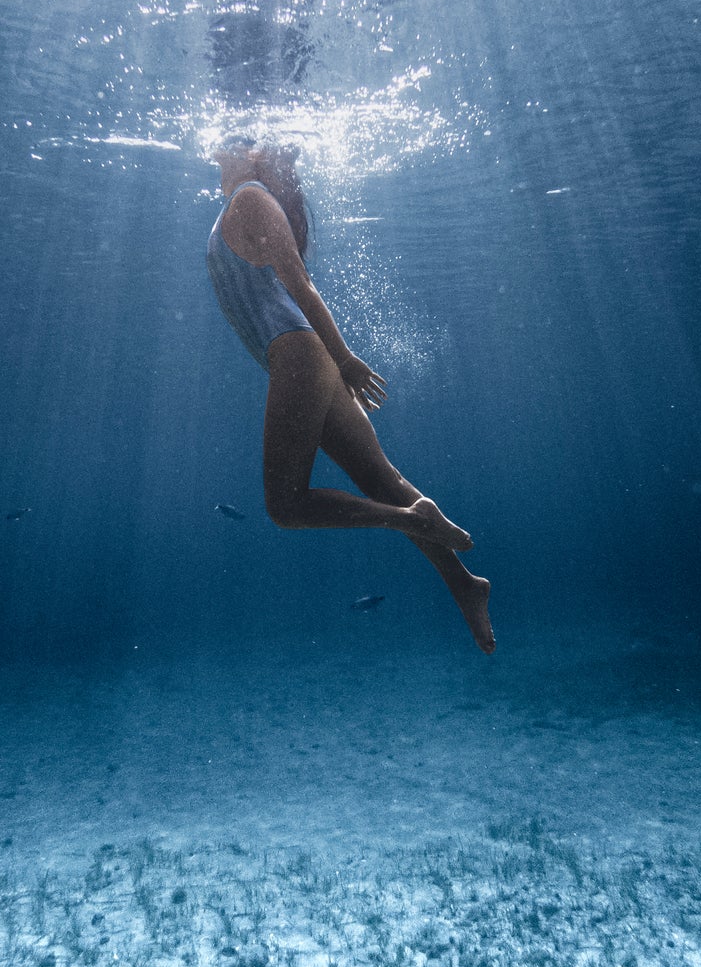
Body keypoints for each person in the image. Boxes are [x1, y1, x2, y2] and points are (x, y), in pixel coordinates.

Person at [206, 139, 494, 653]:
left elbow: (301, 285)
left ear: (250, 155)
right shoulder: (241, 202)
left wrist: (341, 359)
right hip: (303, 358)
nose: (215, 146)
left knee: (287, 507)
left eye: (229, 140)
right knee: (380, 479)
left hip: (299, 358)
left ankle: (412, 520)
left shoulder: (250, 198)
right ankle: (465, 585)